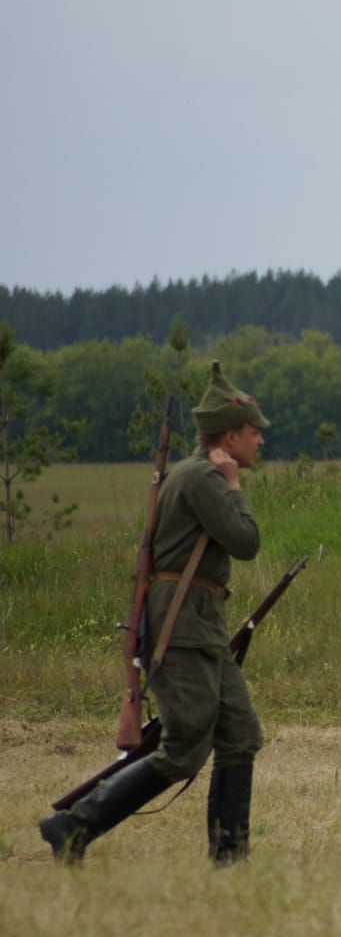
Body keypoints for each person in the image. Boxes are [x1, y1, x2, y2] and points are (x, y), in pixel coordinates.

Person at [40, 362, 269, 864]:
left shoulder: (197, 474)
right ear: (229, 437)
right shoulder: (205, 479)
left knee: (240, 735)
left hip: (200, 624)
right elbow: (246, 542)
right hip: (183, 627)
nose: (260, 442)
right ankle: (73, 828)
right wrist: (234, 487)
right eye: (254, 433)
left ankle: (229, 859)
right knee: (184, 747)